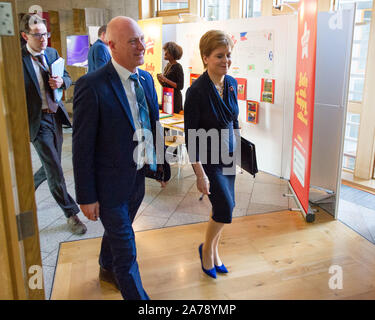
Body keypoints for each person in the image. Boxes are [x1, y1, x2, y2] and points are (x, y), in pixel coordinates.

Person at [73, 16, 166, 300]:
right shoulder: (91, 85)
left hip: (136, 179)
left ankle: (105, 266)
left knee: (117, 234)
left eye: (142, 39)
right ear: (111, 46)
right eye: (133, 41)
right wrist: (86, 196)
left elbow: (152, 123)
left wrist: (159, 166)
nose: (141, 46)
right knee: (127, 250)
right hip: (109, 184)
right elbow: (82, 146)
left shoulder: (147, 79)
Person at [20, 14, 87, 235]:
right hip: (37, 121)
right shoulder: (17, 61)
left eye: (45, 34)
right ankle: (71, 213)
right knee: (56, 169)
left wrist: (62, 82)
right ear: (25, 36)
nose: (43, 39)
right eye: (38, 35)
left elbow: (66, 76)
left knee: (52, 164)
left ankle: (28, 186)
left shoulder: (51, 53)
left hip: (54, 116)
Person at [184, 30, 239, 279]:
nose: (225, 60)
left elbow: (233, 120)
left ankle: (214, 251)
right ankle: (206, 251)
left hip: (228, 154)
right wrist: (200, 174)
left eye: (228, 55)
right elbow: (191, 137)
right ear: (205, 57)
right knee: (224, 207)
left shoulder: (231, 83)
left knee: (225, 207)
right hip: (209, 158)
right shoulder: (196, 92)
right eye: (219, 56)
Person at [157, 42, 184, 114]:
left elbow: (180, 86)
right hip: (167, 96)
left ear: (172, 54)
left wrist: (165, 79)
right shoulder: (168, 65)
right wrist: (160, 80)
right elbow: (165, 85)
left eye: (167, 51)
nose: (165, 53)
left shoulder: (178, 67)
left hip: (175, 98)